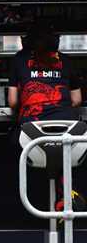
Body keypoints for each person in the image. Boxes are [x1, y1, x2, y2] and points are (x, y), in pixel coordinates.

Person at [8, 22, 84, 212]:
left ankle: (17, 209)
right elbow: (77, 99)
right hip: (68, 131)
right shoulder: (66, 61)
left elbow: (12, 102)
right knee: (62, 151)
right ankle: (67, 190)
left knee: (10, 144)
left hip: (31, 134)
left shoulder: (19, 59)